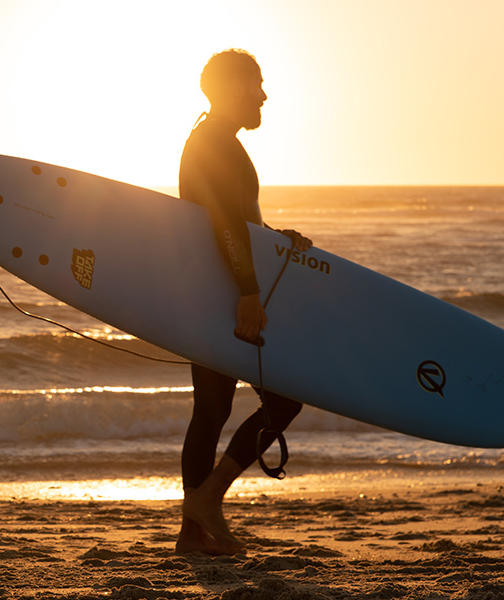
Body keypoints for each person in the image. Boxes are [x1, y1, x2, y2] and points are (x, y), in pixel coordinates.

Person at [175, 50, 312, 555]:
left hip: (207, 294)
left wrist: (276, 238)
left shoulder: (213, 141)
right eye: (257, 83)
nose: (263, 95)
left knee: (210, 411)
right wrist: (249, 293)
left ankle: (193, 533)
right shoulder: (214, 143)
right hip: (224, 295)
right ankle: (208, 499)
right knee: (285, 399)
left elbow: (235, 221)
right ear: (234, 87)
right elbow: (224, 226)